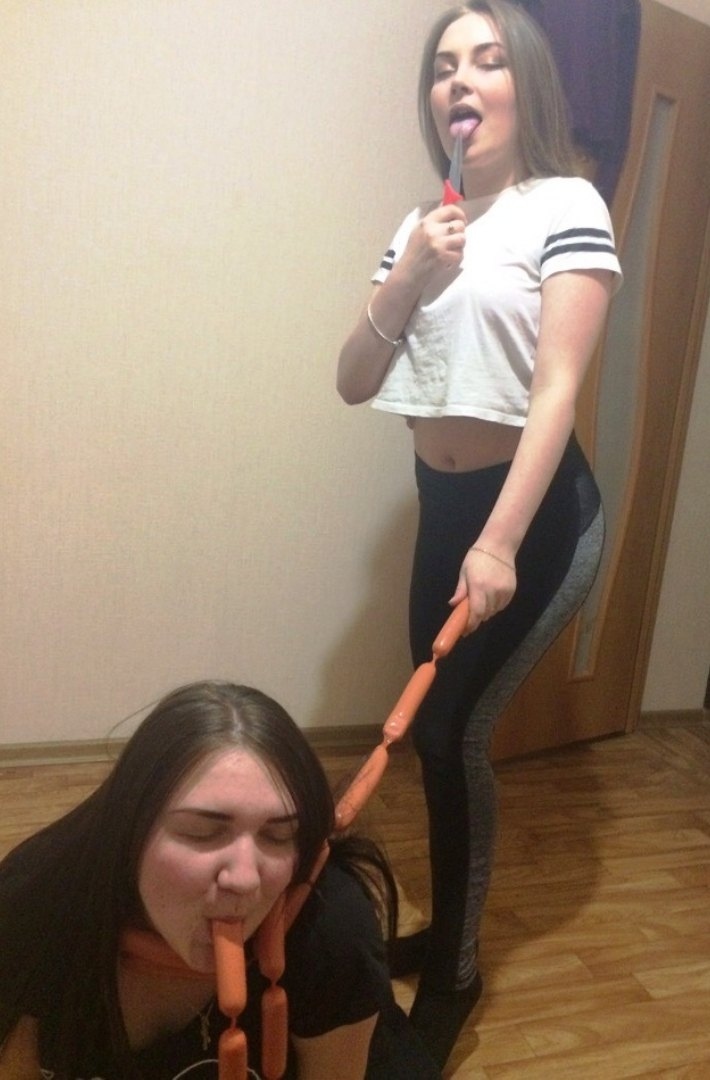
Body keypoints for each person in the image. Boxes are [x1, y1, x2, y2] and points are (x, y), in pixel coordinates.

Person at [336, 0, 622, 1069]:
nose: (461, 79)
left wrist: (497, 543)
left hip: (533, 519)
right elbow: (352, 379)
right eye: (444, 64)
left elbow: (555, 391)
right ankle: (448, 931)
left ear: (523, 86)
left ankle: (455, 973)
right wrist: (411, 271)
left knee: (454, 734)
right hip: (441, 509)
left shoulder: (565, 203)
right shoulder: (422, 224)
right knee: (432, 739)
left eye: (488, 60)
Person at [0, 680, 440, 1080]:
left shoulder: (331, 927)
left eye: (278, 835)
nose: (245, 879)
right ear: (129, 829)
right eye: (202, 831)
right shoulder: (35, 902)